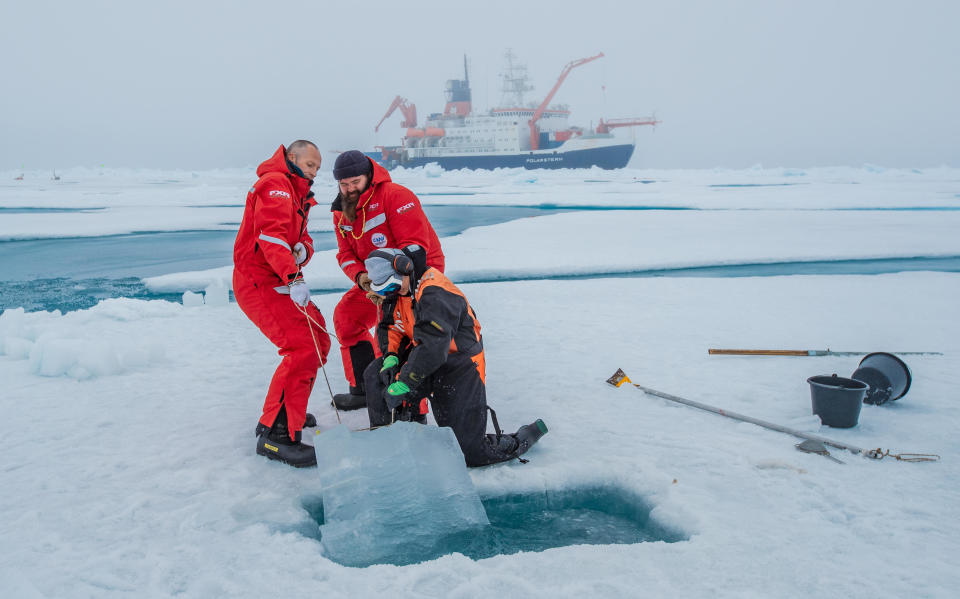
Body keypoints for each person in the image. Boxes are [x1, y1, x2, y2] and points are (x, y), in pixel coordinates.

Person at [362, 248, 548, 467]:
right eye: (386, 290)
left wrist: (404, 383)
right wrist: (391, 356)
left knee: (469, 452)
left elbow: (434, 346)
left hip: (459, 364)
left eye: (393, 286)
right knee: (377, 375)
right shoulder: (398, 292)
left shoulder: (435, 292)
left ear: (405, 269)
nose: (392, 293)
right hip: (423, 354)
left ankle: (523, 437)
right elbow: (390, 325)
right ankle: (388, 446)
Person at [233, 141, 331, 468]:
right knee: (303, 347)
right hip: (259, 280)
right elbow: (271, 238)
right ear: (292, 158)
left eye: (318, 166)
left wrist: (302, 251)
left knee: (318, 341)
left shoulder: (297, 192)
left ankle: (282, 414)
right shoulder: (276, 185)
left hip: (278, 278)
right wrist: (294, 277)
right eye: (310, 163)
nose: (314, 170)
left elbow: (298, 239)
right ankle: (276, 437)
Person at [329, 150, 444, 410]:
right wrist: (362, 278)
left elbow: (415, 248)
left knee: (397, 335)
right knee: (347, 318)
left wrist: (396, 287)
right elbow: (345, 254)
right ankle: (364, 389)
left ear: (369, 176)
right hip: (376, 280)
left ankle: (411, 409)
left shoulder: (395, 196)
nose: (349, 189)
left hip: (417, 275)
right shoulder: (340, 212)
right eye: (343, 184)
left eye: (355, 183)